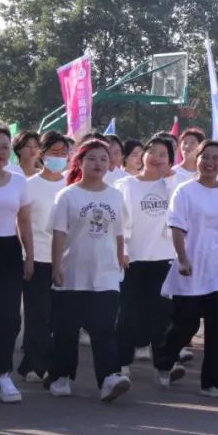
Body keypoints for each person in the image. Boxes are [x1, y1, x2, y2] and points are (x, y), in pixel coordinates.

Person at [44, 138, 131, 402]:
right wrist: (56, 267)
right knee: (66, 330)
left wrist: (120, 258)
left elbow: (119, 233)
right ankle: (61, 377)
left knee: (104, 329)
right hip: (72, 273)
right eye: (92, 158)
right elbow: (59, 234)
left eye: (104, 159)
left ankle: (108, 379)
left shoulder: (115, 195)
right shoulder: (68, 195)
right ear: (79, 162)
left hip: (106, 274)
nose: (98, 163)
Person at [154, 140, 218, 398]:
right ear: (197, 159)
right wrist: (182, 259)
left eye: (216, 158)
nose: (210, 163)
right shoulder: (185, 191)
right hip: (190, 266)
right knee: (186, 323)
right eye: (206, 157)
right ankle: (164, 361)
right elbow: (177, 227)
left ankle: (213, 383)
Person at [116, 136, 176, 371]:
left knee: (161, 314)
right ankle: (122, 363)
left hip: (163, 257)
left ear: (170, 160)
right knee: (127, 313)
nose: (156, 158)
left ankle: (164, 366)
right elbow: (120, 222)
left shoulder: (173, 186)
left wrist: (169, 181)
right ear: (143, 155)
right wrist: (122, 250)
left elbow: (179, 218)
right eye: (152, 152)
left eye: (163, 154)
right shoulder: (126, 185)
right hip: (133, 258)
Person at [18, 131, 69, 383]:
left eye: (63, 152)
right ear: (42, 153)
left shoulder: (71, 184)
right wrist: (27, 256)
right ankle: (40, 366)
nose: (59, 157)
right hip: (36, 257)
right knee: (38, 314)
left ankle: (33, 363)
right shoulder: (29, 185)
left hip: (65, 260)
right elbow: (22, 223)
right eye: (53, 152)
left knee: (56, 316)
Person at [0, 122, 35, 404]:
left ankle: (1, 373)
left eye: (5, 147)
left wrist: (29, 257)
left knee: (8, 316)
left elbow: (24, 222)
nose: (0, 151)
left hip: (7, 251)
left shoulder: (18, 181)